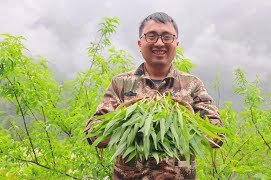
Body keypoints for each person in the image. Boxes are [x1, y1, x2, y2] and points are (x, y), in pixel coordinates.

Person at [84, 12, 224, 180]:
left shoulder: (192, 85)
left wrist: (181, 119)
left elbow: (217, 137)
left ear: (176, 43)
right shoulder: (121, 84)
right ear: (140, 43)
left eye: (167, 37)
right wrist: (128, 118)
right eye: (151, 36)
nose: (159, 42)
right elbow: (94, 135)